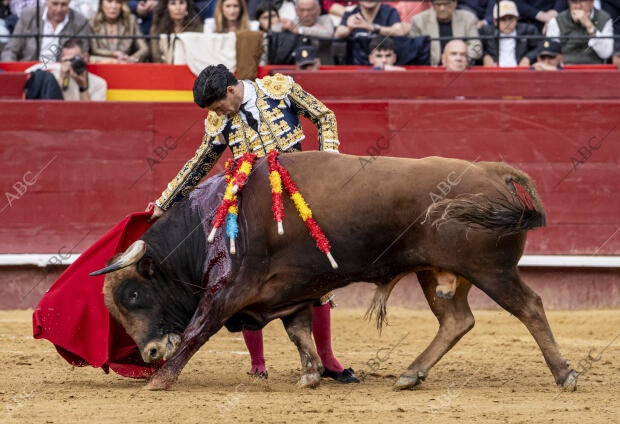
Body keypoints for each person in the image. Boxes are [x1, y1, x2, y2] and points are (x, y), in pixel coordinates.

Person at [146, 64, 359, 384]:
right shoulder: (219, 120)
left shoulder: (279, 89)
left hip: (296, 200)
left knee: (316, 278)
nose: (218, 112)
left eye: (219, 105)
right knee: (243, 281)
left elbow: (324, 116)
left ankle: (327, 359)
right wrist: (165, 203)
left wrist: (327, 163)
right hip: (249, 210)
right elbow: (199, 163)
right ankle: (258, 364)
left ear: (231, 90)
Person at [1, 0, 91, 62]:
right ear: (46, 1)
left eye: (64, 4)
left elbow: (83, 54)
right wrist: (15, 72)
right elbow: (10, 50)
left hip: (63, 73)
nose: (59, 9)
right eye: (55, 4)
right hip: (30, 73)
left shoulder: (80, 22)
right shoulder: (29, 16)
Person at [25, 38, 107, 100]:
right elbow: (52, 106)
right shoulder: (52, 77)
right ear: (61, 60)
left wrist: (83, 88)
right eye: (67, 60)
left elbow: (91, 116)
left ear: (85, 57)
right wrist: (61, 78)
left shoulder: (99, 83)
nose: (71, 63)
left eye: (75, 59)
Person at [408, 0, 482, 66]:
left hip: (461, 68)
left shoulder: (468, 18)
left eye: (446, 4)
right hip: (431, 69)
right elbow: (414, 51)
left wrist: (457, 57)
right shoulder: (419, 21)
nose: (442, 8)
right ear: (432, 5)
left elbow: (477, 48)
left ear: (455, 3)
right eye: (438, 5)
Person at [334, 0, 407, 65]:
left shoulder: (389, 11)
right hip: (357, 67)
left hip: (384, 66)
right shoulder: (351, 13)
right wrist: (350, 28)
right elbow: (338, 34)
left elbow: (399, 31)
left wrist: (372, 27)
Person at [546, 0, 613, 64]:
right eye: (574, 2)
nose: (578, 6)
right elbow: (552, 53)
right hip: (566, 70)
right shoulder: (556, 21)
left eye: (582, 1)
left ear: (592, 2)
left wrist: (589, 26)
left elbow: (606, 53)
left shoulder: (604, 18)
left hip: (595, 70)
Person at [479, 0, 539, 67]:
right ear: (495, 21)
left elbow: (539, 48)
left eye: (511, 19)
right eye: (503, 19)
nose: (507, 23)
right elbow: (474, 48)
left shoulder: (528, 31)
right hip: (494, 72)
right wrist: (485, 56)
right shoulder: (486, 32)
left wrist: (528, 58)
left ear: (517, 19)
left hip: (520, 72)